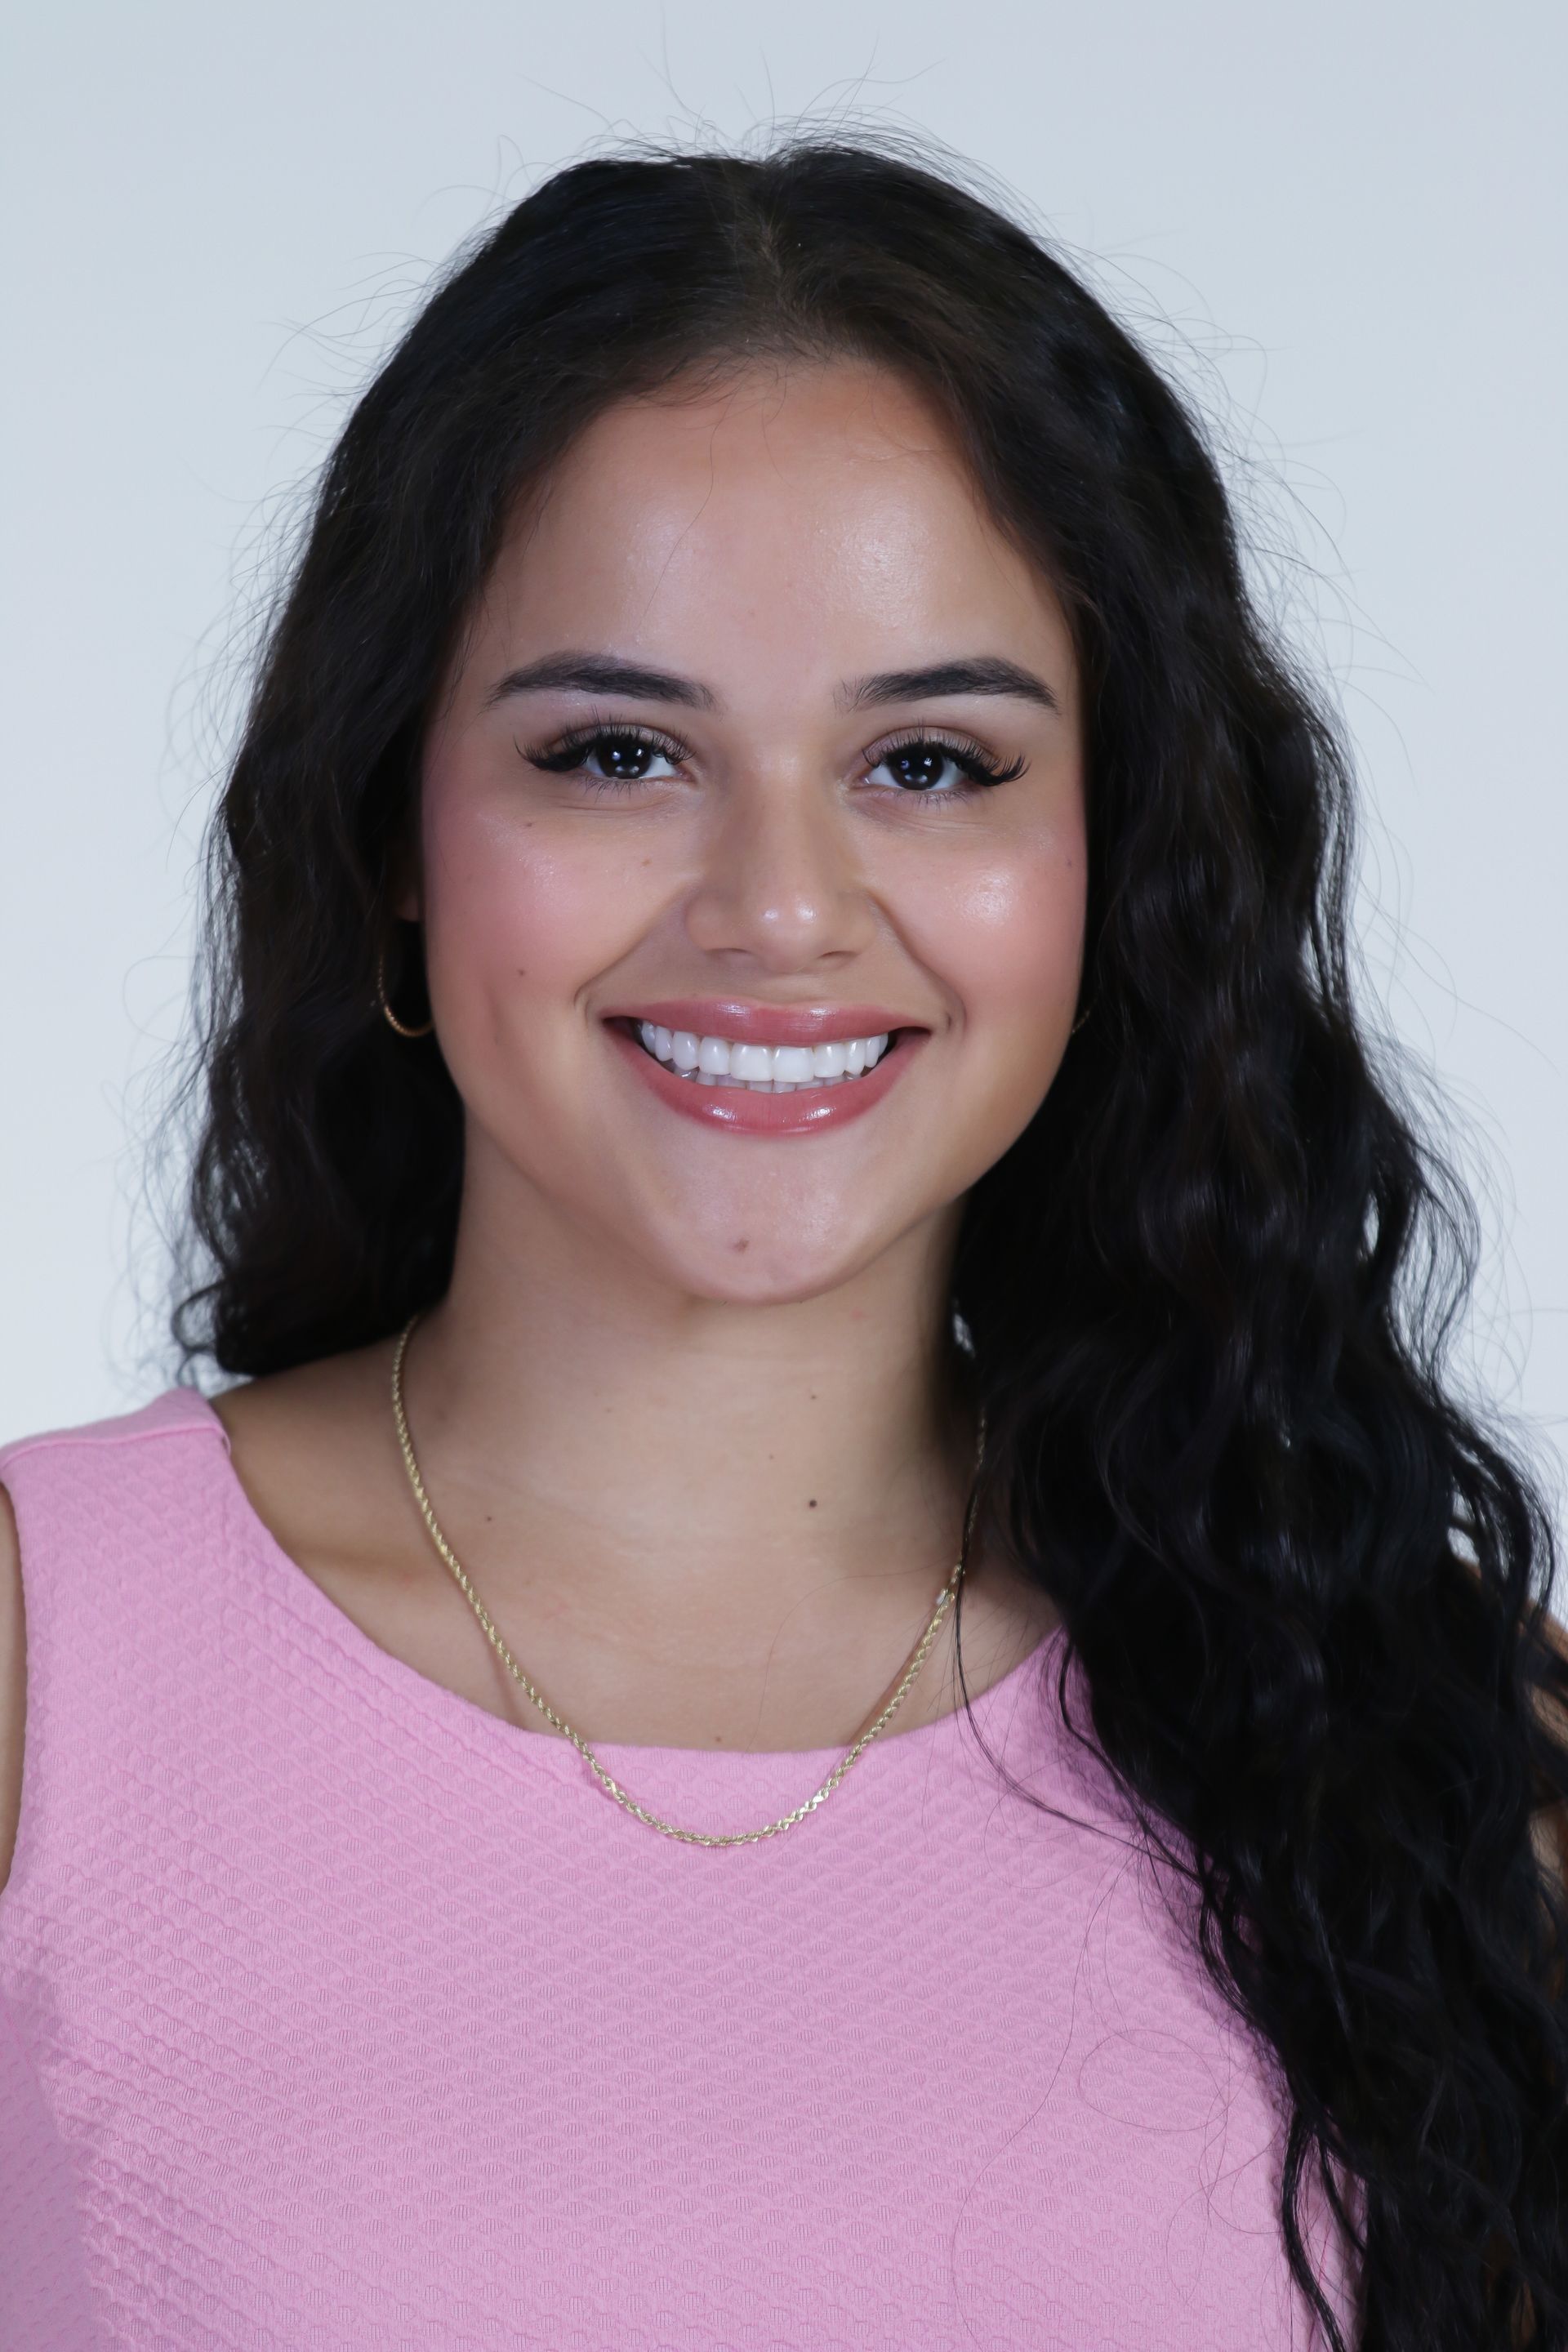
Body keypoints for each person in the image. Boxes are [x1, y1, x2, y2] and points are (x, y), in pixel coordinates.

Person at [1, 138, 1564, 2352]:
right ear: (395, 841)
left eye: (931, 763)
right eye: (619, 750)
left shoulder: (1430, 1747)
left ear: (1114, 878)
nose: (782, 911)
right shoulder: (42, 1667)